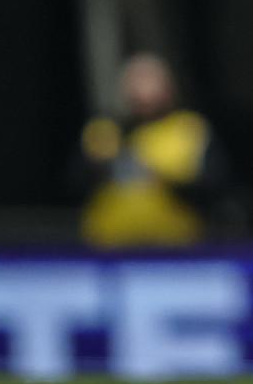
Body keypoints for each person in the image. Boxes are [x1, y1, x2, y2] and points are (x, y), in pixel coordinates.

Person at [79, 52, 229, 248]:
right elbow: (72, 184)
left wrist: (165, 179)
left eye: (149, 80)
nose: (140, 89)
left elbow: (215, 187)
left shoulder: (190, 128)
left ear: (168, 87)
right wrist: (99, 168)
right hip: (108, 250)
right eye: (134, 81)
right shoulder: (103, 130)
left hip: (175, 251)